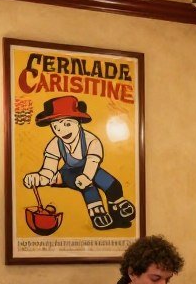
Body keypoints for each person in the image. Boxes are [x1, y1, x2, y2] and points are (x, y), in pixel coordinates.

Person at [22, 95, 136, 231]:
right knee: (88, 187)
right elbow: (49, 168)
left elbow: (93, 161)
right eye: (56, 127)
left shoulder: (91, 140)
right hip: (69, 173)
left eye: (67, 124)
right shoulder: (54, 144)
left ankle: (116, 203)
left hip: (90, 168)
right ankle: (97, 211)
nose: (62, 131)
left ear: (78, 122)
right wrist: (39, 178)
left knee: (112, 184)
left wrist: (87, 176)